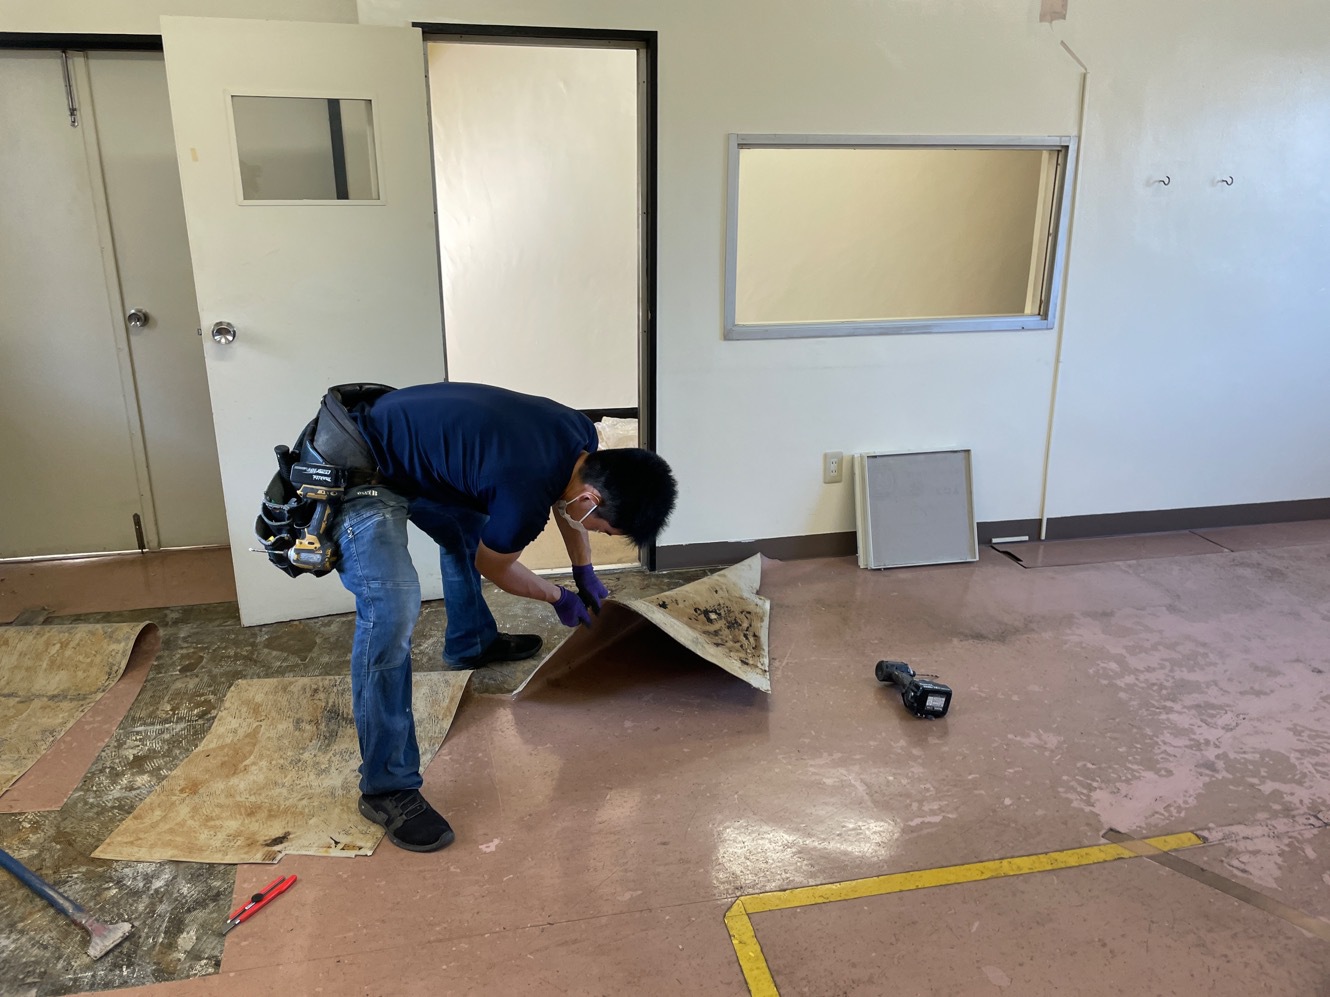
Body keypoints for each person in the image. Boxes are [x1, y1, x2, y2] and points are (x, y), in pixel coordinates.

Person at [313, 381, 676, 853]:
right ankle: (386, 787)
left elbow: (565, 505)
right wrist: (559, 597)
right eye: (603, 530)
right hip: (356, 464)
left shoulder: (579, 436)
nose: (598, 533)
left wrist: (583, 569)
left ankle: (471, 641)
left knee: (470, 528)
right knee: (391, 609)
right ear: (590, 500)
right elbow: (496, 567)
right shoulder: (524, 494)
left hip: (404, 446)